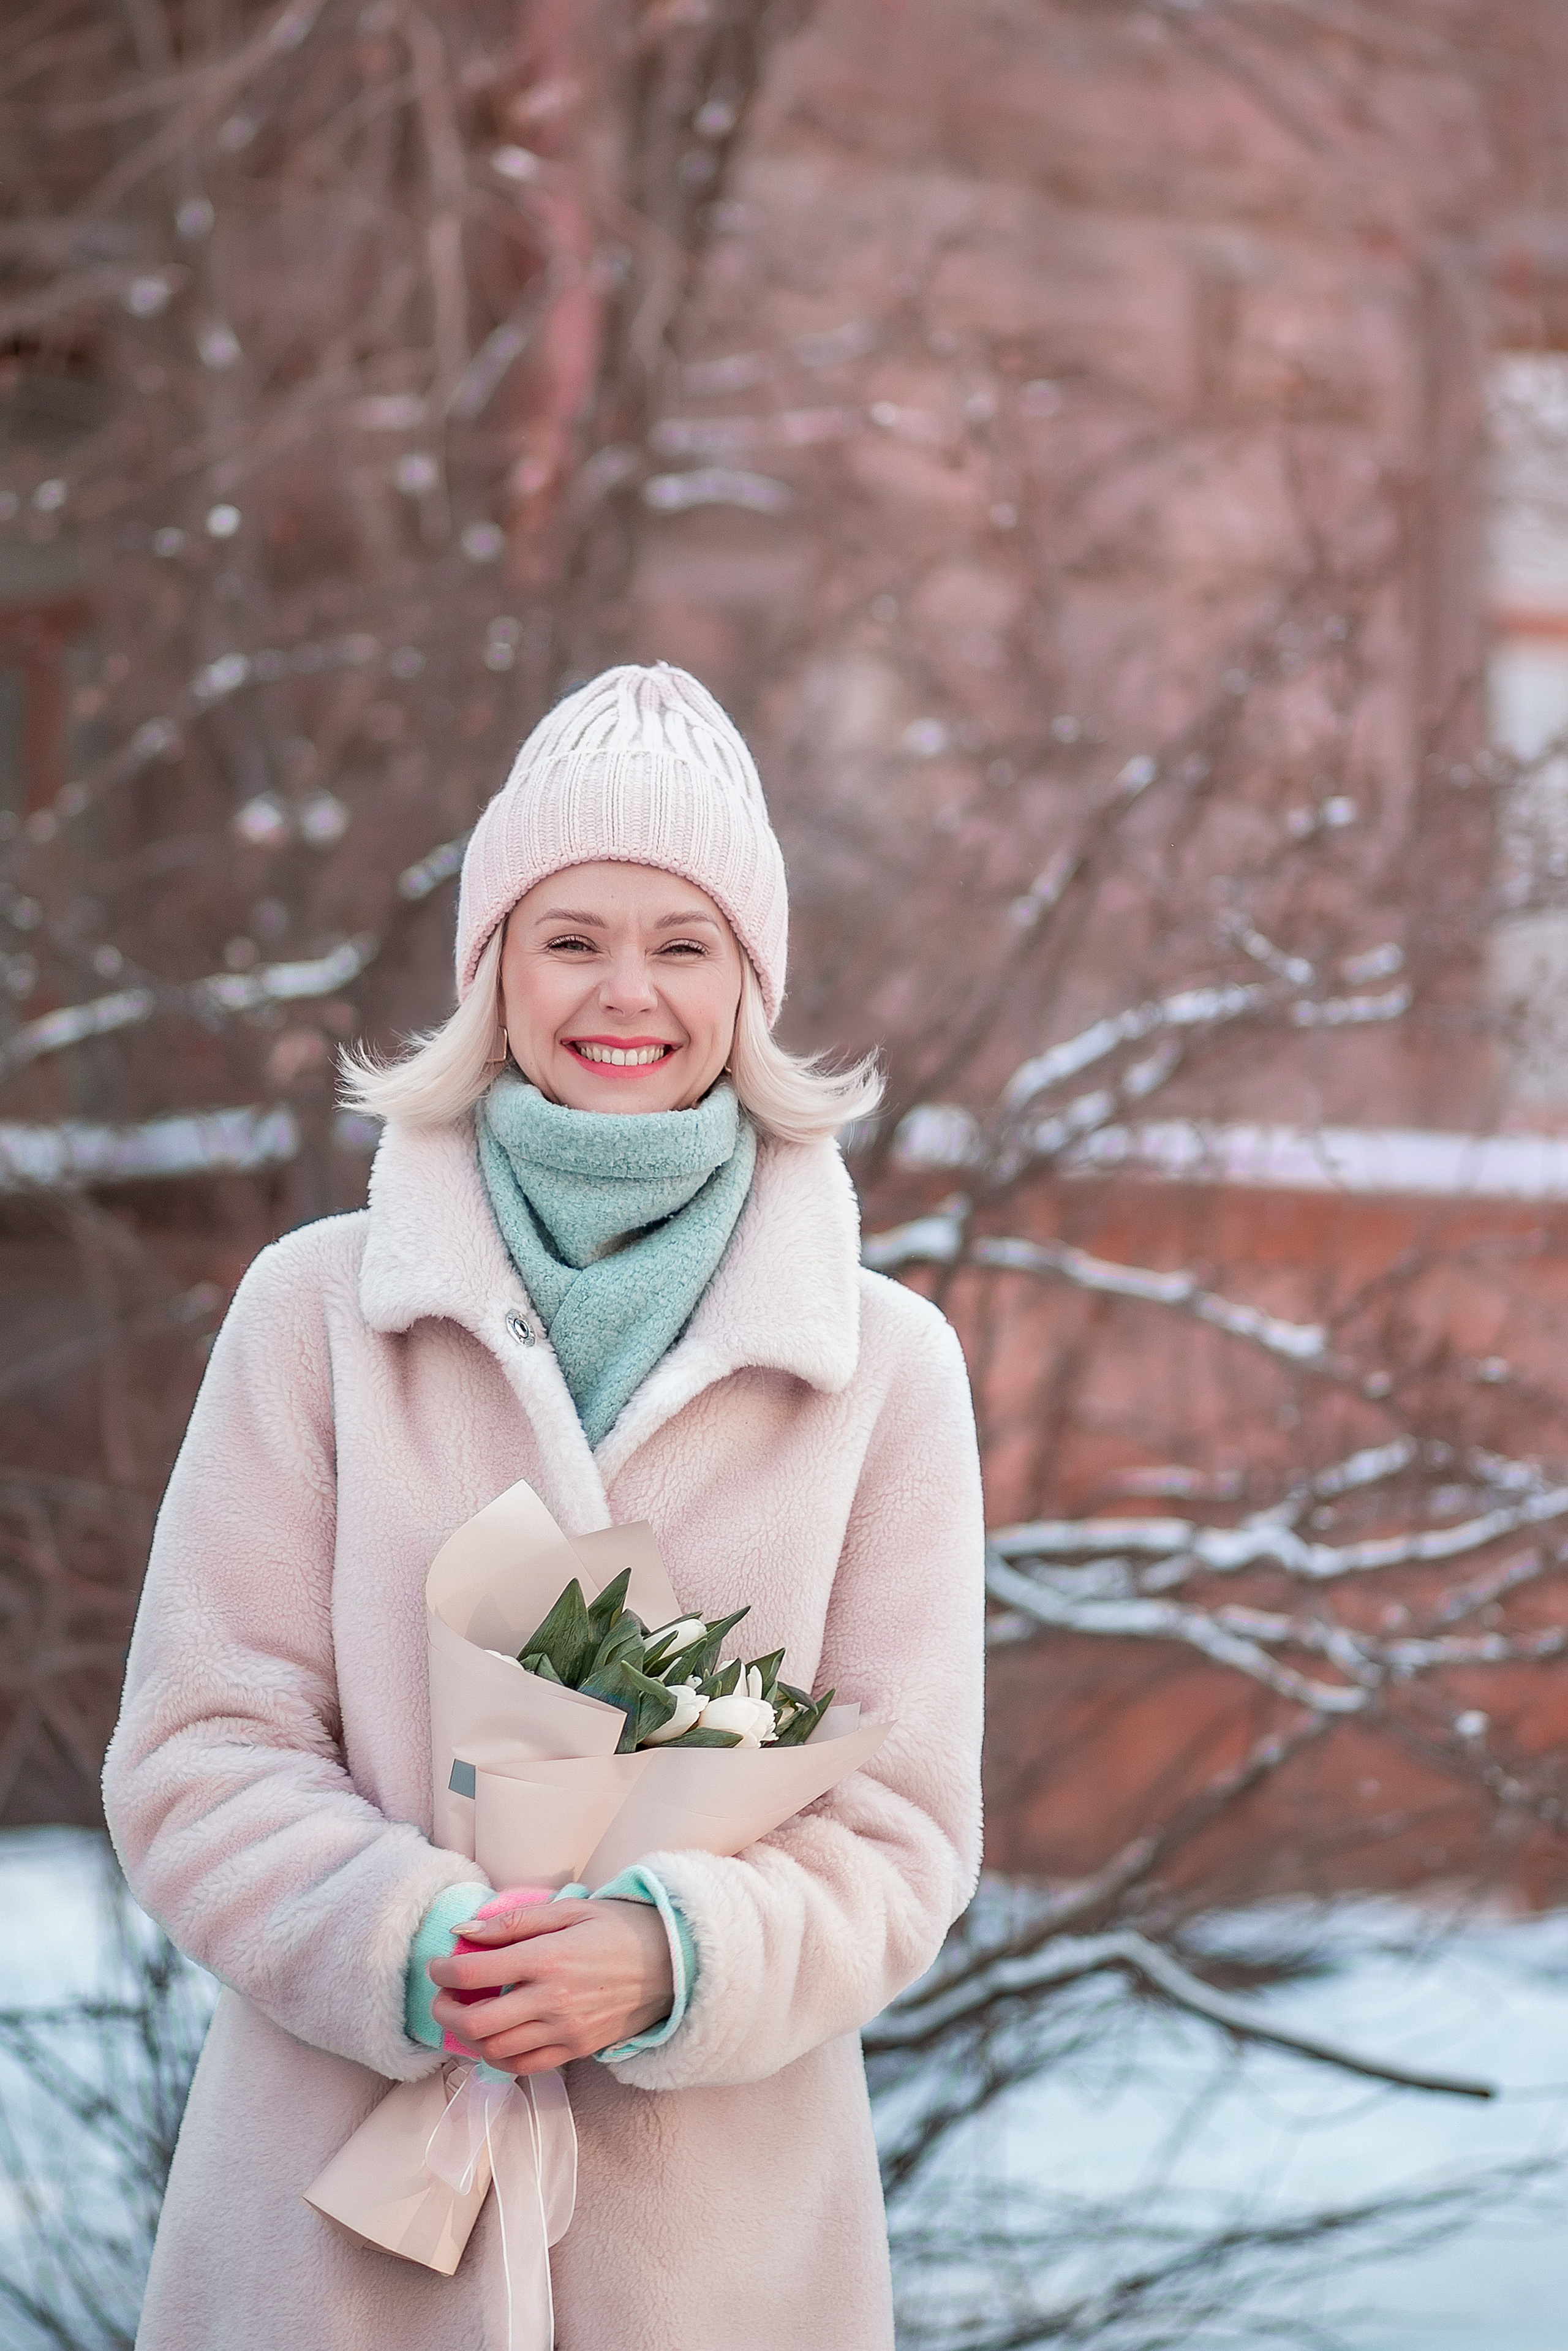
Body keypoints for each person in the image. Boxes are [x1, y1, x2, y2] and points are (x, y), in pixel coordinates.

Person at [104, 662, 986, 2351]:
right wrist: (416, 1941)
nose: (623, 992)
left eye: (683, 941)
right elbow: (199, 1744)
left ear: (752, 981)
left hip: (717, 2254)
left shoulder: (882, 1365)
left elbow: (903, 1832)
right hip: (335, 2230)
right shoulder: (316, 1309)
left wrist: (670, 1957)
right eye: (570, 936)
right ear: (492, 968)